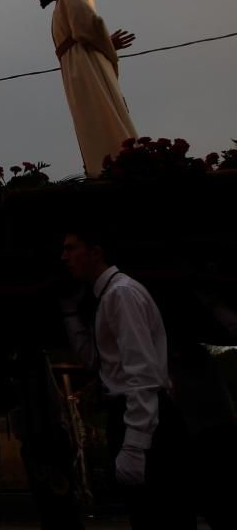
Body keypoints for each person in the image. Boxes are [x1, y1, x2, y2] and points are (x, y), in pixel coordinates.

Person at [60, 227, 192, 529]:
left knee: (160, 516)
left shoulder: (121, 294)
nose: (64, 256)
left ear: (96, 252)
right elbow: (99, 362)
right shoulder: (109, 296)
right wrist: (70, 316)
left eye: (71, 248)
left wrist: (135, 444)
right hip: (137, 414)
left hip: (147, 419)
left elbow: (141, 371)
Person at [29, 0, 137, 176]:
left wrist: (104, 43)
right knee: (89, 116)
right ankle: (102, 164)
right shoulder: (60, 3)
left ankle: (121, 159)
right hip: (75, 67)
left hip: (84, 63)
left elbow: (88, 22)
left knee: (100, 109)